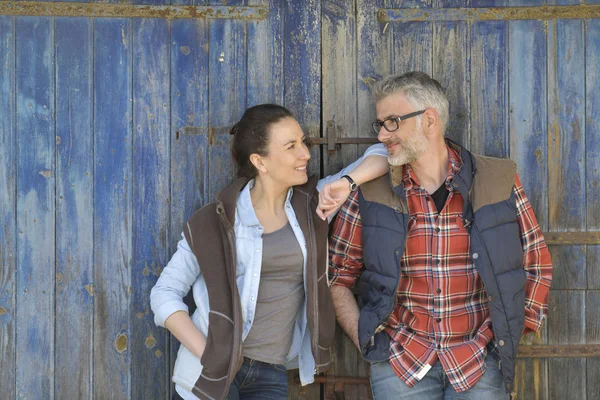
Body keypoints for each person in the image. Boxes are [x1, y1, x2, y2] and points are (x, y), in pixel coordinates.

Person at [327, 72, 553, 399]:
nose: (382, 135)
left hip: (478, 361)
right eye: (379, 124)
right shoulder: (369, 191)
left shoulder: (497, 178)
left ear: (429, 120)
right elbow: (338, 276)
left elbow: (537, 262)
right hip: (400, 363)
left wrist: (511, 331)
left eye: (392, 122)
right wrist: (365, 337)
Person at [150, 104, 389, 400]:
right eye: (291, 146)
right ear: (259, 161)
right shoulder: (215, 221)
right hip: (209, 374)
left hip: (271, 372)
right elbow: (164, 293)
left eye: (304, 142)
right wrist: (210, 354)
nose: (305, 154)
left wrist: (347, 182)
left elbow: (383, 153)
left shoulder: (314, 205)